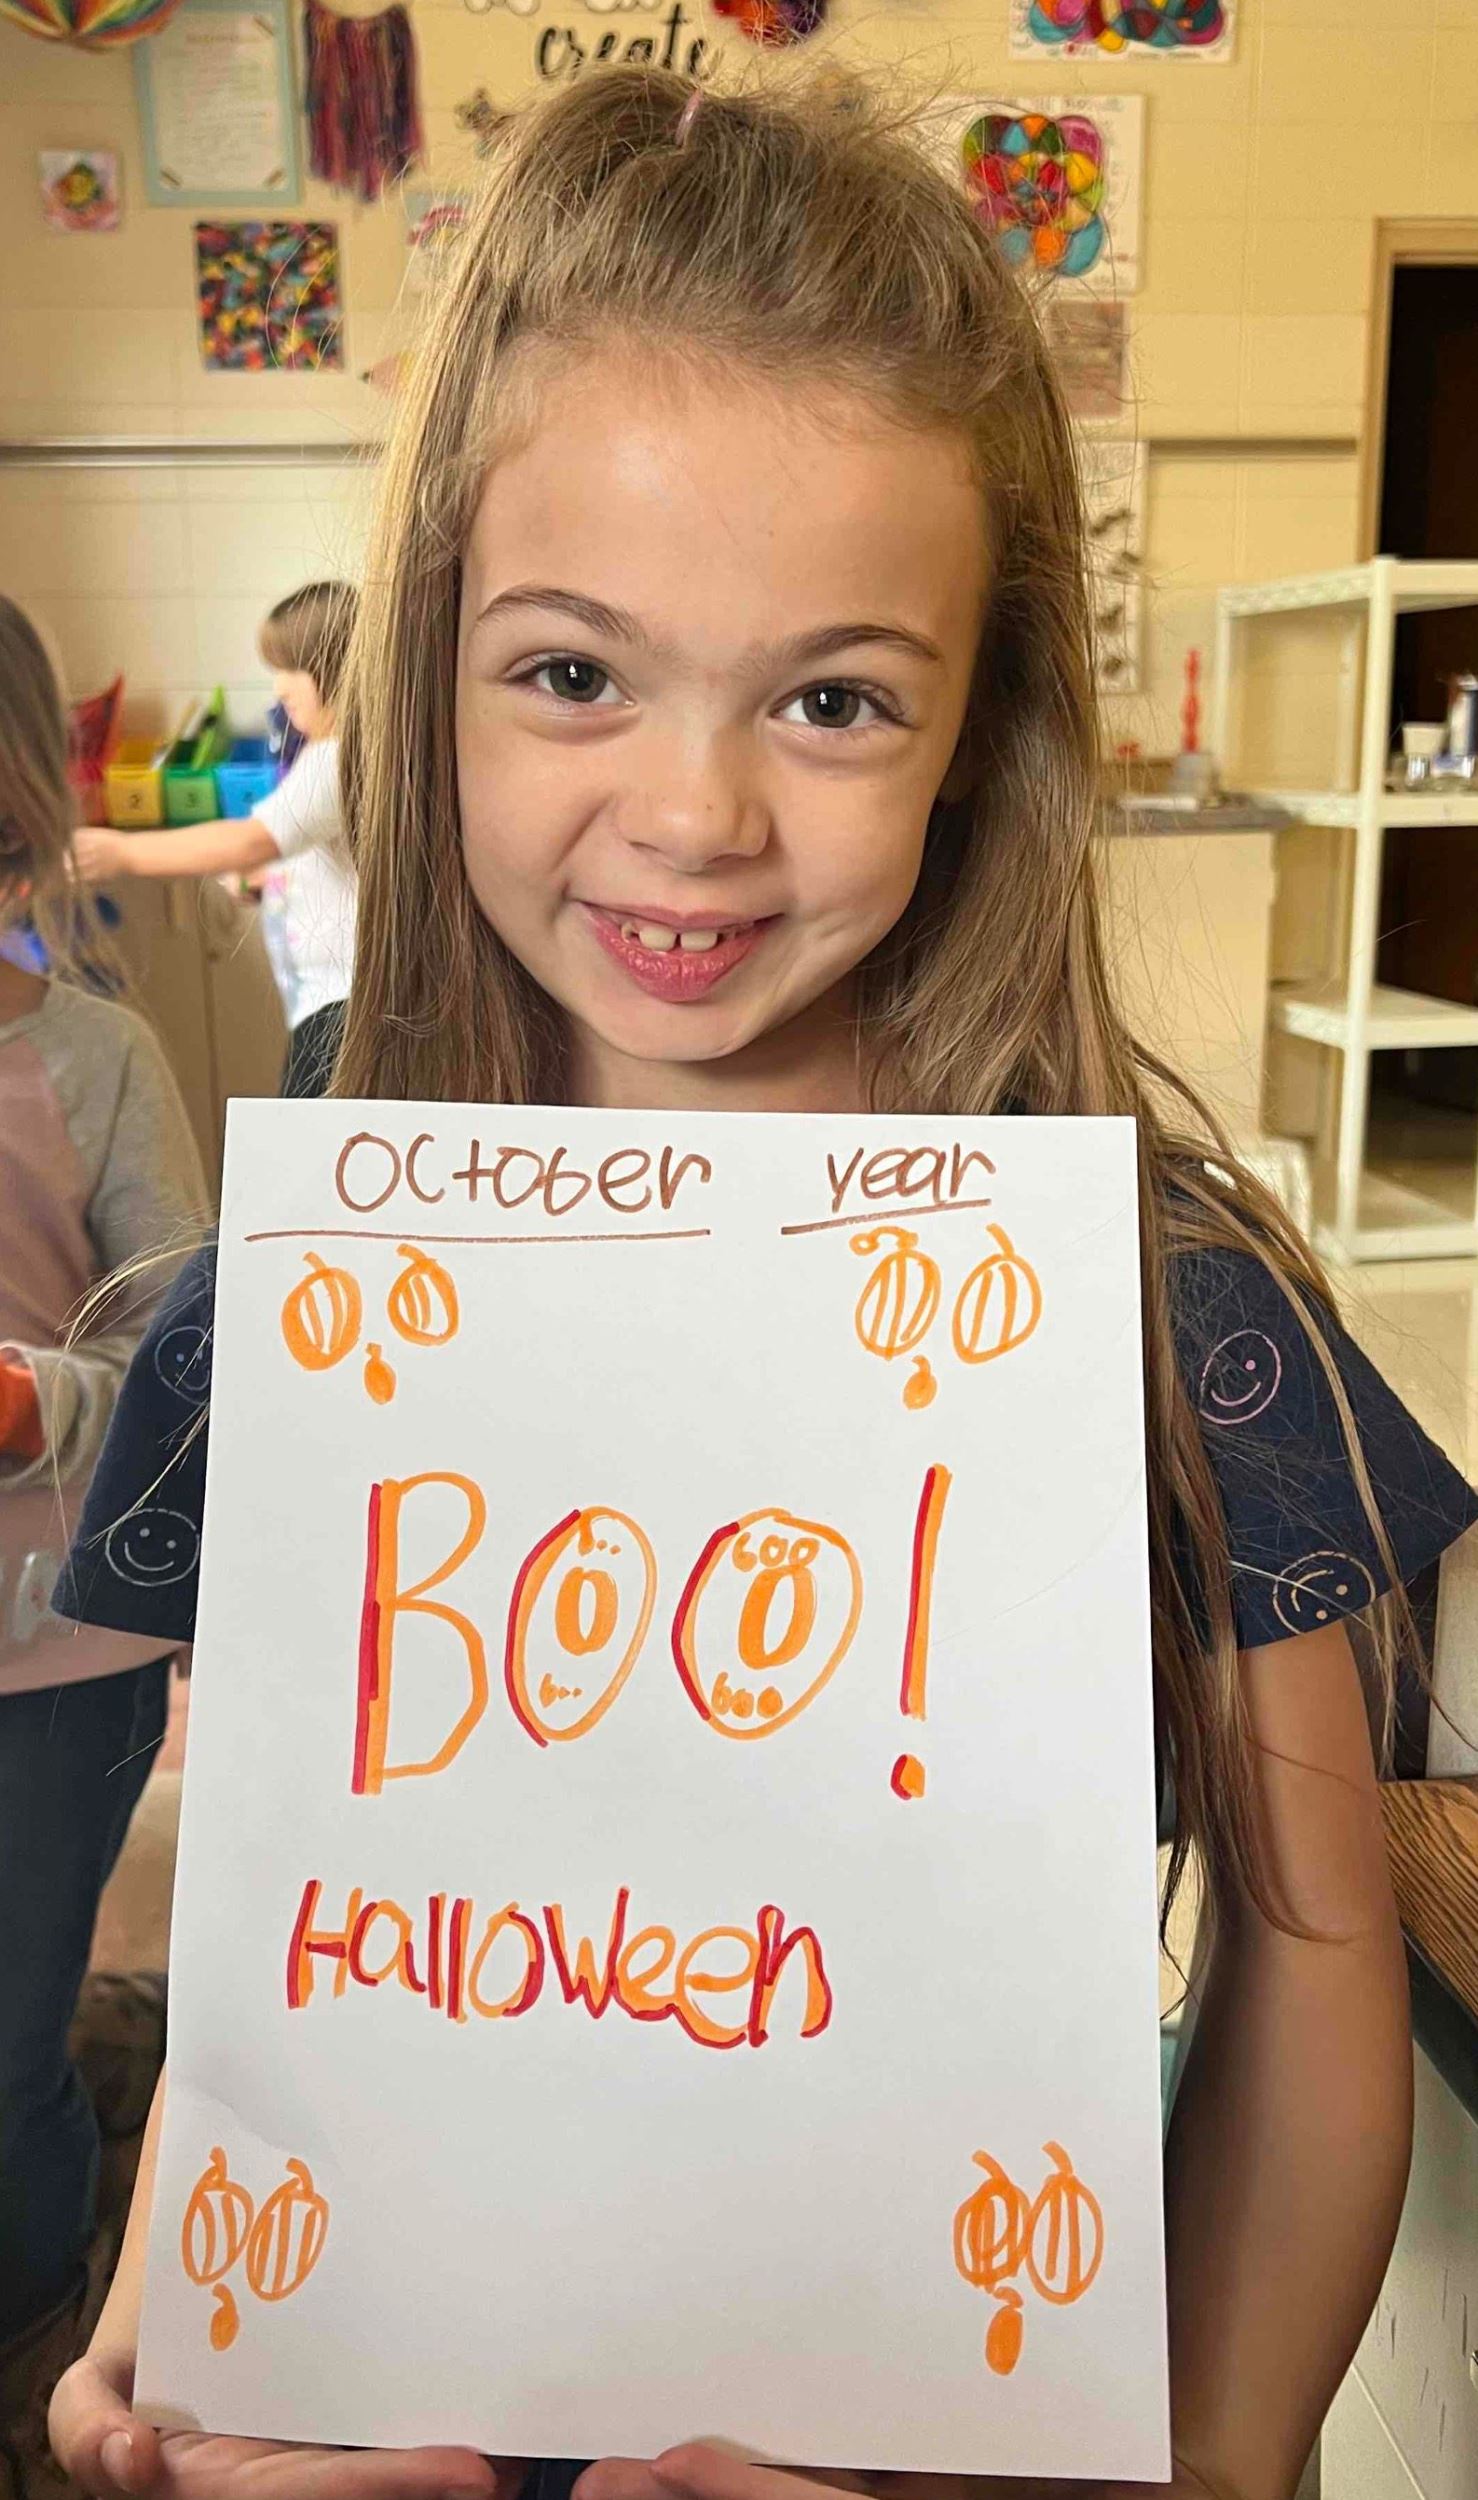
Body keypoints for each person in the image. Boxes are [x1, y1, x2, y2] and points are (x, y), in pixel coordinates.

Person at [48, 69, 1478, 2500]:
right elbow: (301, 1949)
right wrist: (167, 2336)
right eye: (573, 673)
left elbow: (1321, 1944)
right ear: (429, 666)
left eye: (831, 699)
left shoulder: (1163, 1320)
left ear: (973, 729)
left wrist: (1223, 2453)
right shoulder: (305, 1316)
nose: (696, 816)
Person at [0, 599, 205, 2470]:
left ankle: (39, 2328)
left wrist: (32, 1405)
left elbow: (183, 1354)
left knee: (7, 2046)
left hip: (54, 1651)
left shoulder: (97, 1060)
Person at [72, 584, 358, 1102]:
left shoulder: (335, 760)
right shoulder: (335, 755)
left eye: (292, 669)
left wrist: (121, 852)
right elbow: (325, 857)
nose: (280, 688)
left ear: (336, 671)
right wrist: (272, 881)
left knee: (303, 1134)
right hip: (330, 1004)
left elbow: (251, 841)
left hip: (341, 1011)